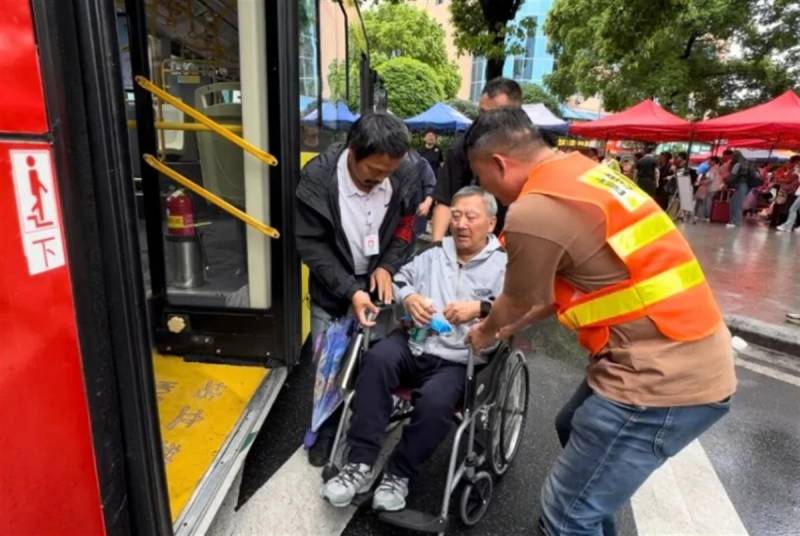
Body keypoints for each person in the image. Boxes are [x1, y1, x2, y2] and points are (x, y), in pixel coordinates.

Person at [464, 108, 735, 536]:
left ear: (499, 164)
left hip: (658, 381)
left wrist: (485, 331)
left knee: (566, 514)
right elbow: (559, 294)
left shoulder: (535, 210)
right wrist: (509, 326)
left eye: (483, 181)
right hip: (687, 348)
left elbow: (518, 299)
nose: (488, 192)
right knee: (571, 428)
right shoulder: (582, 173)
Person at [321, 187, 506, 511]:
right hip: (414, 343)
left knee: (436, 402)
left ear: (490, 224)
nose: (461, 224)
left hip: (459, 359)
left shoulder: (503, 267)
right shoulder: (434, 254)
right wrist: (409, 298)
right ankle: (359, 464)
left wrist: (481, 308)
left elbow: (517, 311)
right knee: (377, 359)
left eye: (471, 217)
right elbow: (400, 279)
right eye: (456, 215)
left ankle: (398, 474)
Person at [295, 112, 420, 465]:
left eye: (388, 173)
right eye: (374, 171)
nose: (381, 179)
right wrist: (351, 289)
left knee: (377, 359)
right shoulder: (316, 180)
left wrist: (387, 266)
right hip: (333, 286)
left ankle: (366, 429)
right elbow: (311, 246)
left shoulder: (404, 172)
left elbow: (408, 226)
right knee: (328, 363)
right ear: (353, 151)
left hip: (380, 284)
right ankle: (326, 428)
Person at [430, 77, 523, 242]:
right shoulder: (465, 144)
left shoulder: (528, 149)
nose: (484, 121)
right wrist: (436, 247)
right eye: (481, 113)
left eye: (493, 115)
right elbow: (444, 199)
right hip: (469, 245)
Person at [726, 151, 759, 228]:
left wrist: (726, 181)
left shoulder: (738, 165)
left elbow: (732, 176)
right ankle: (733, 221)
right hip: (748, 186)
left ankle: (736, 222)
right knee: (734, 202)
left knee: (736, 203)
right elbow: (756, 175)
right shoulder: (748, 164)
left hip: (741, 185)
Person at [777, 156, 800, 232]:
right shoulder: (795, 171)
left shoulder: (795, 171)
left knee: (792, 209)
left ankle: (788, 226)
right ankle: (789, 225)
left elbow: (789, 180)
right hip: (796, 192)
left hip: (793, 191)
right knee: (794, 209)